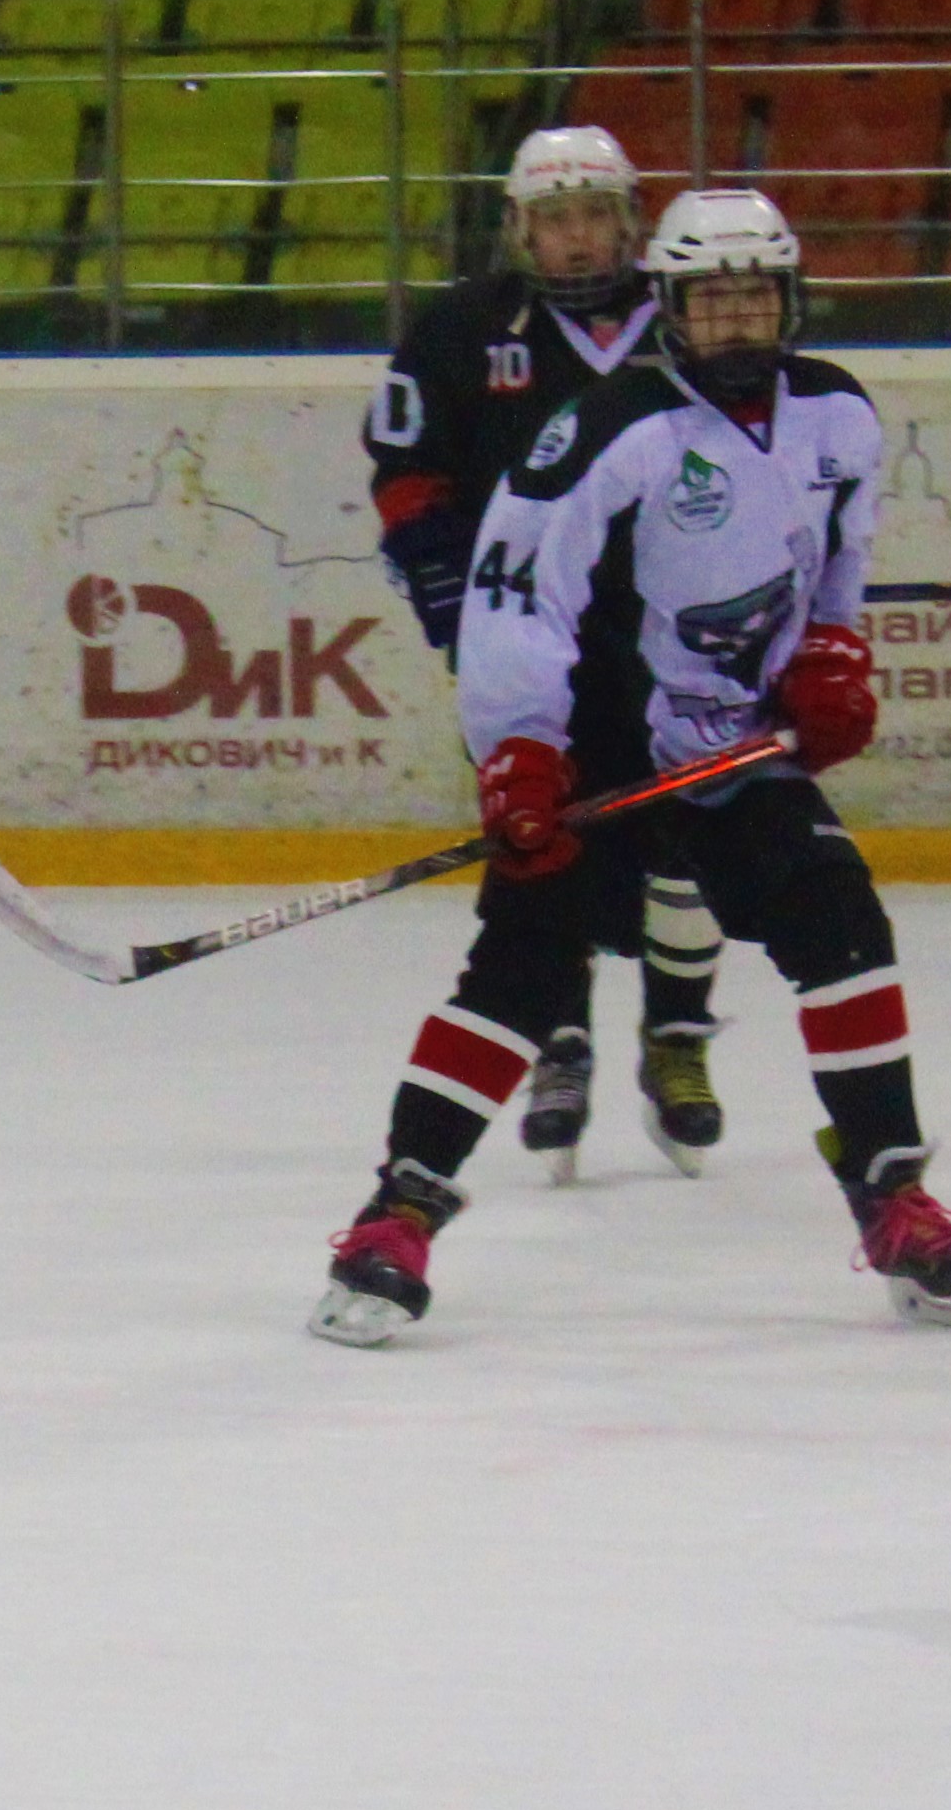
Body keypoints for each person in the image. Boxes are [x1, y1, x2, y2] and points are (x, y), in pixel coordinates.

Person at [351, 183, 951, 1341]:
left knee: (842, 923)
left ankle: (891, 1195)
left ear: (788, 301)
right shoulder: (607, 427)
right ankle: (395, 1215)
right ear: (673, 307)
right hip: (597, 745)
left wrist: (834, 657)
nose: (739, 322)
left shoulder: (837, 416)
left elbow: (838, 564)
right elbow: (514, 603)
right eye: (713, 300)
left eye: (759, 297)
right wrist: (521, 756)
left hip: (733, 745)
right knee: (525, 970)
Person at [302, 130, 723, 1352]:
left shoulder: (687, 312)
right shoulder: (455, 330)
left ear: (632, 219)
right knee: (546, 852)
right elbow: (407, 470)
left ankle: (678, 1036)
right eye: (558, 217)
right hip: (527, 647)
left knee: (684, 849)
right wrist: (444, 590)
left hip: (672, 644)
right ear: (519, 229)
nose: (581, 235)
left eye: (600, 213)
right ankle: (566, 1041)